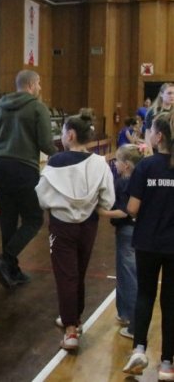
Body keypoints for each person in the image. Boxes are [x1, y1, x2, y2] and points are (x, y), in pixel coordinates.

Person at [35, 113, 115, 351]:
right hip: (89, 224)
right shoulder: (99, 163)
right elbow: (108, 199)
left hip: (62, 225)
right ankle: (74, 317)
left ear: (70, 135)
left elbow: (42, 197)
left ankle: (70, 329)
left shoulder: (55, 162)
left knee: (66, 275)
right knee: (79, 272)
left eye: (62, 131)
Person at [0, 69, 57, 287]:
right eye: (39, 83)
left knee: (7, 220)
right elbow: (45, 143)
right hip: (24, 168)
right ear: (31, 85)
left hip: (0, 167)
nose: (40, 88)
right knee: (34, 218)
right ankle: (6, 258)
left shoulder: (0, 107)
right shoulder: (37, 107)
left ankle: (12, 270)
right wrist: (63, 156)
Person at [122, 112, 174, 380]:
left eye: (151, 130)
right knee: (171, 301)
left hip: (147, 242)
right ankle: (167, 363)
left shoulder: (145, 166)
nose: (148, 134)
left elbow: (132, 208)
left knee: (145, 294)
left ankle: (139, 349)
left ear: (159, 136)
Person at [97, 144, 144, 340]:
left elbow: (125, 211)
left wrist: (101, 212)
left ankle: (134, 323)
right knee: (124, 273)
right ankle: (124, 313)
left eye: (117, 160)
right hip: (133, 231)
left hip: (127, 231)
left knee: (128, 274)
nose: (114, 163)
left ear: (126, 165)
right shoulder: (139, 179)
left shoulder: (125, 183)